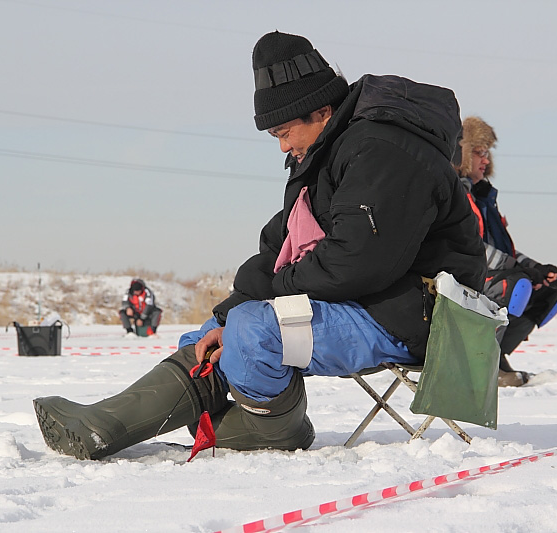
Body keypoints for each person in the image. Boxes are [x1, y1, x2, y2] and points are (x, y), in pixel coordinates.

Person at [33, 31, 486, 460]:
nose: (283, 146)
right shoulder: (325, 156)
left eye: (285, 132)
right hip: (371, 302)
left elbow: (355, 263)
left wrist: (264, 296)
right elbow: (281, 245)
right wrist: (236, 304)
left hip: (423, 316)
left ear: (322, 112)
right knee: (213, 329)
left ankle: (276, 425)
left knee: (254, 329)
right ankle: (105, 425)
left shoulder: (384, 151)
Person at [455, 116, 557, 387]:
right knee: (517, 286)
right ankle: (482, 362)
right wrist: (519, 269)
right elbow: (468, 247)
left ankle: (498, 355)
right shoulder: (455, 195)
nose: (486, 160)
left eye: (488, 154)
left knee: (547, 295)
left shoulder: (484, 200)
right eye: (479, 153)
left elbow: (506, 250)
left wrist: (536, 268)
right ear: (463, 155)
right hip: (463, 281)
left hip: (491, 276)